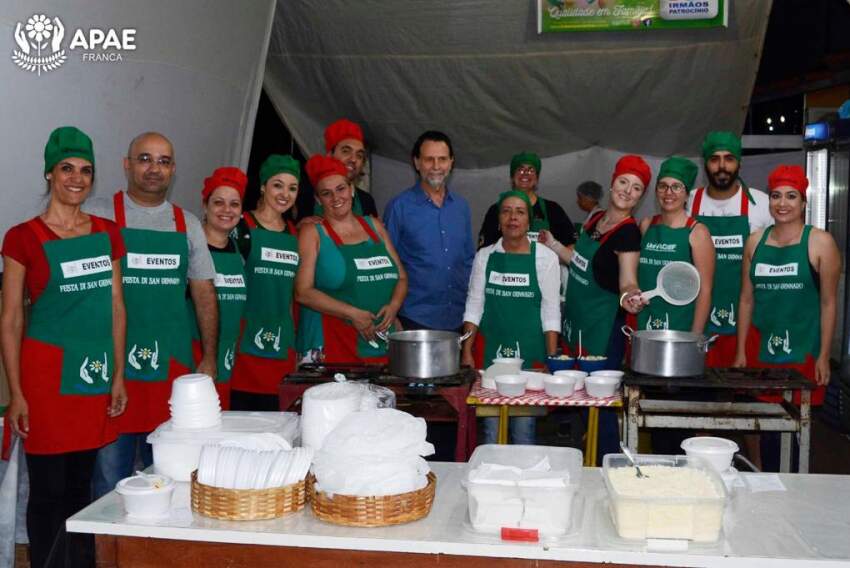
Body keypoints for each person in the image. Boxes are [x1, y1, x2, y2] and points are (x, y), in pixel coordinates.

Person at [1, 127, 128, 567]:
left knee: (82, 488)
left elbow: (115, 305)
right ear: (50, 174)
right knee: (48, 489)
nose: (77, 178)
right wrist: (17, 392)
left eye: (86, 170)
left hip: (93, 373)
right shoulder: (22, 237)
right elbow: (12, 318)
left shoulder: (109, 233)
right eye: (67, 168)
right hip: (46, 377)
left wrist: (117, 375)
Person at [85, 132, 218, 499]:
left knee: (168, 477)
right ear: (127, 165)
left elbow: (204, 292)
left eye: (162, 161)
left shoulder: (187, 223)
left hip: (171, 372)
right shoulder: (96, 214)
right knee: (108, 479)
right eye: (144, 159)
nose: (153, 168)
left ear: (173, 170)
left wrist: (208, 356)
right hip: (113, 371)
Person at [735, 165, 840, 469]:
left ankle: (792, 487)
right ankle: (760, 477)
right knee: (759, 423)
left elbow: (829, 303)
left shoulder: (820, 243)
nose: (782, 203)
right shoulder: (755, 242)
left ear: (804, 203)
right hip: (760, 348)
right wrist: (741, 350)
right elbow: (745, 299)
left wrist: (823, 356)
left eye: (791, 196)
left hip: (802, 350)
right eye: (776, 196)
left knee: (796, 429)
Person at [561, 155, 648, 463]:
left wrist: (630, 296)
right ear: (612, 184)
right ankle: (585, 463)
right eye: (624, 182)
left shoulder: (628, 233)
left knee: (601, 404)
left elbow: (627, 281)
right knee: (583, 402)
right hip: (578, 325)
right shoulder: (596, 220)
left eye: (636, 188)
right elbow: (581, 262)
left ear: (641, 197)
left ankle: (608, 468)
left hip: (603, 330)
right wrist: (554, 246)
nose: (627, 190)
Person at [462, 191, 561, 444]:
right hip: (490, 356)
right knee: (491, 430)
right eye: (506, 211)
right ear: (499, 219)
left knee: (523, 430)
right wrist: (467, 351)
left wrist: (551, 358)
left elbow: (551, 310)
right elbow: (474, 305)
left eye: (519, 212)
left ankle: (522, 479)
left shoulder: (545, 258)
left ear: (529, 221)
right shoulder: (485, 256)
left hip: (530, 356)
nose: (513, 217)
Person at [295, 156, 407, 363]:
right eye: (326, 193)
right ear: (318, 200)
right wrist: (352, 313)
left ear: (352, 189)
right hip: (334, 346)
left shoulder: (374, 226)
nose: (336, 197)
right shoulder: (312, 232)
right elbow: (303, 293)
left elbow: (401, 277)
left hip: (382, 346)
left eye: (341, 189)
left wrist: (394, 306)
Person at [687, 131, 772, 367]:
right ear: (705, 164)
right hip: (694, 320)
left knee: (739, 395)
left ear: (739, 163)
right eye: (714, 159)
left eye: (729, 158)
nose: (722, 166)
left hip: (745, 324)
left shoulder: (762, 204)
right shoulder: (689, 201)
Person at [383, 131, 474, 331]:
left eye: (442, 159)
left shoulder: (461, 207)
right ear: (416, 163)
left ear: (451, 162)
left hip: (457, 319)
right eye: (429, 159)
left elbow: (468, 261)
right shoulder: (399, 207)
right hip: (414, 319)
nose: (436, 166)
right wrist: (394, 314)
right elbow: (387, 267)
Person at [229, 156, 300, 411]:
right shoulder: (240, 226)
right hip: (244, 347)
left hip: (283, 347)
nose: (285, 194)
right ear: (263, 186)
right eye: (278, 185)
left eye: (292, 188)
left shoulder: (295, 233)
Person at [189, 167, 249, 410]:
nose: (227, 210)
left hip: (227, 357)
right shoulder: (190, 247)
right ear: (205, 206)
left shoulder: (240, 249)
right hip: (195, 357)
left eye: (234, 204)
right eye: (219, 203)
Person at [637, 156, 715, 333]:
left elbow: (705, 290)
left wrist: (694, 337)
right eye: (663, 186)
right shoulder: (646, 225)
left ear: (687, 194)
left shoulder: (697, 232)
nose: (668, 192)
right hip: (645, 322)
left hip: (681, 327)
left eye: (676, 187)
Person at [477, 152, 576, 255]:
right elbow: (484, 251)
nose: (525, 173)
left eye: (531, 170)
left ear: (537, 179)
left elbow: (572, 245)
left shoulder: (553, 209)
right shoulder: (496, 210)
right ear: (512, 178)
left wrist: (552, 262)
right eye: (520, 169)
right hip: (506, 269)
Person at [296, 118, 378, 222]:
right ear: (330, 155)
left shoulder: (366, 200)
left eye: (359, 155)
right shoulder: (302, 194)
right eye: (346, 151)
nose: (353, 159)